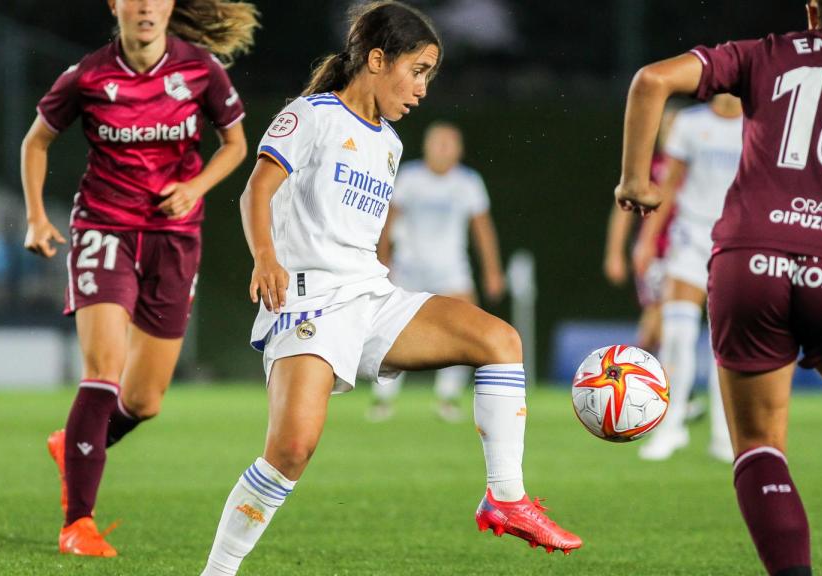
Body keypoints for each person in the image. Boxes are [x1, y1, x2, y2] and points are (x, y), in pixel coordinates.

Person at [199, 3, 581, 574]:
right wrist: (266, 257)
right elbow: (256, 190)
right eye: (417, 70)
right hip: (308, 301)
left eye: (429, 75)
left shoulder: (391, 144)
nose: (423, 88)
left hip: (372, 296)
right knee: (291, 451)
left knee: (500, 341)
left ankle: (506, 497)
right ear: (376, 60)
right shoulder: (311, 115)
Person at [615, 1, 822, 574]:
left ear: (814, 10)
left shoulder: (766, 53)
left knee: (759, 445)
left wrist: (636, 181)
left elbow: (652, 79)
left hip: (749, 259)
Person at [21, 0, 257, 557]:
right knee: (103, 369)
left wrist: (194, 188)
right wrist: (35, 216)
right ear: (116, 5)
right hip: (105, 229)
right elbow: (36, 141)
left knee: (145, 400)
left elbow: (236, 145)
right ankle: (78, 525)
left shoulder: (201, 69)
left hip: (174, 240)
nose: (147, 6)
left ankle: (73, 444)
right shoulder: (87, 75)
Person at [368, 120, 505, 423]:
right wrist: (382, 259)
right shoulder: (410, 177)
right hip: (409, 268)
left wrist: (493, 271)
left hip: (451, 270)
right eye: (438, 143)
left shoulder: (468, 182)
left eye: (449, 143)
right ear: (427, 147)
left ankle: (447, 396)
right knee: (393, 330)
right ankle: (383, 397)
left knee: (468, 328)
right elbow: (388, 220)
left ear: (459, 149)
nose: (443, 149)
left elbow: (482, 229)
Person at [633, 95, 742, 463]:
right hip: (690, 237)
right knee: (677, 335)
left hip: (738, 240)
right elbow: (668, 184)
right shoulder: (690, 123)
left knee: (725, 342)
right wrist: (647, 240)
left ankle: (725, 435)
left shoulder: (761, 123)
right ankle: (670, 427)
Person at [603, 107, 679, 354]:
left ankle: (643, 367)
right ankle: (644, 367)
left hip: (687, 250)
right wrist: (614, 253)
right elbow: (623, 211)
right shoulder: (649, 168)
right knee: (660, 312)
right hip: (655, 252)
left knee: (668, 314)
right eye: (666, 127)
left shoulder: (694, 166)